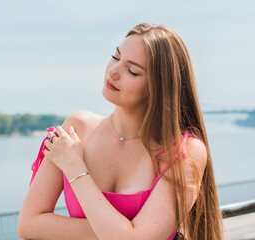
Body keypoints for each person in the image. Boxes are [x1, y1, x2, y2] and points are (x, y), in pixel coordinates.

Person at [17, 23, 225, 240]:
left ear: (159, 86)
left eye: (132, 71)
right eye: (115, 57)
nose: (113, 72)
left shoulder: (184, 152)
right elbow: (28, 225)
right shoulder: (76, 128)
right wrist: (122, 232)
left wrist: (74, 167)